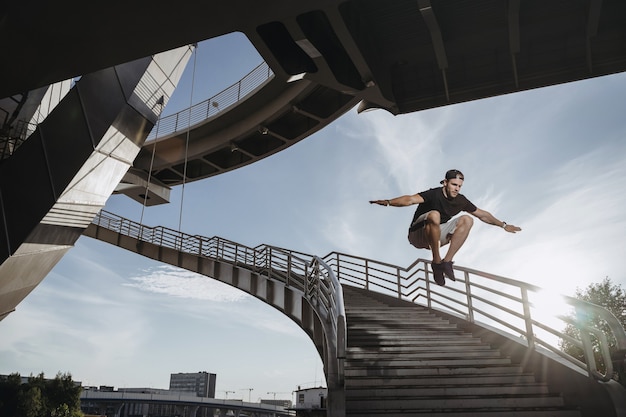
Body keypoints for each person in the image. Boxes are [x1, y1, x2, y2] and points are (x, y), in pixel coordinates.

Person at [369, 169, 521, 286]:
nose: (457, 189)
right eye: (454, 185)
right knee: (434, 215)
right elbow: (410, 199)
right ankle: (436, 262)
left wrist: (503, 225)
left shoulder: (461, 201)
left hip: (437, 236)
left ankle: (446, 262)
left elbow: (482, 214)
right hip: (418, 234)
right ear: (445, 182)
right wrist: (389, 202)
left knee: (467, 220)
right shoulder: (433, 194)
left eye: (460, 186)